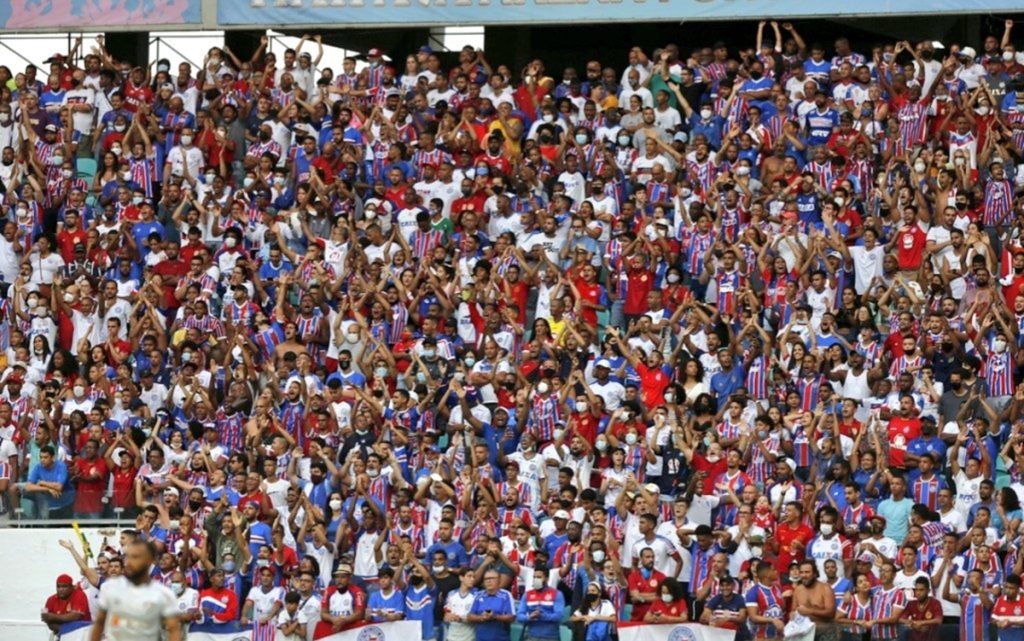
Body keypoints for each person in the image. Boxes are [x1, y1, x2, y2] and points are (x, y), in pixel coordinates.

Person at [89, 540, 182, 641]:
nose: (130, 562)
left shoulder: (163, 594)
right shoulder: (110, 589)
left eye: (136, 557)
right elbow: (99, 624)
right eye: (128, 557)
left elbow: (173, 629)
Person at [516, 566, 565, 641]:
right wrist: (529, 617)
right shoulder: (527, 595)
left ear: (547, 578)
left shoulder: (557, 594)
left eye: (539, 577)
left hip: (551, 637)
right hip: (531, 636)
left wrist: (542, 616)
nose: (536, 579)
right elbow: (519, 615)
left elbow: (559, 616)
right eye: (534, 577)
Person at [467, 569, 516, 641]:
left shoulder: (506, 595)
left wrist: (494, 617)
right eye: (486, 579)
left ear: (499, 580)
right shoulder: (478, 595)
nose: (488, 581)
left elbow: (512, 617)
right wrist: (482, 618)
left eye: (492, 578)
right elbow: (469, 616)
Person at [901, 577, 943, 641]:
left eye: (921, 590)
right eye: (916, 590)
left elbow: (938, 620)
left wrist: (921, 623)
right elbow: (900, 619)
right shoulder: (911, 604)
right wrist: (913, 625)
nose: (918, 593)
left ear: (928, 591)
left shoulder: (935, 603)